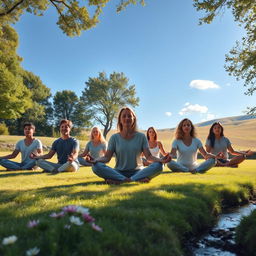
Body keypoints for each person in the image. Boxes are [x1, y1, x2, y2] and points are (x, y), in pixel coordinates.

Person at [88, 107, 172, 184]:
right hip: (118, 171)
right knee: (96, 166)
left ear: (133, 119)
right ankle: (132, 180)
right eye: (124, 116)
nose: (127, 118)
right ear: (120, 120)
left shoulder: (141, 137)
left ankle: (122, 180)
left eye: (129, 116)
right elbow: (107, 158)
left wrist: (161, 161)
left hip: (138, 171)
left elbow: (149, 157)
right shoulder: (114, 138)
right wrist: (96, 160)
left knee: (159, 166)